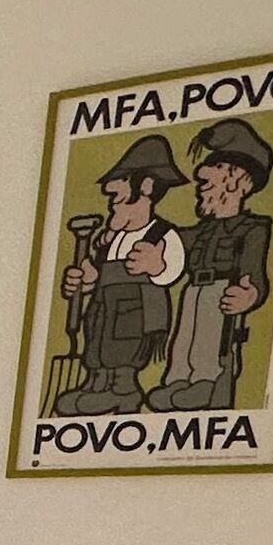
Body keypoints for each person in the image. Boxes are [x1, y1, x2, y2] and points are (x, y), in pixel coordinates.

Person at [153, 115, 273, 414]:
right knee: (183, 340)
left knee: (209, 340)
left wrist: (250, 295)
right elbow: (171, 241)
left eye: (214, 173)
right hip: (193, 288)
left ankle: (206, 383)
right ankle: (177, 382)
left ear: (237, 180)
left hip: (221, 291)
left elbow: (254, 270)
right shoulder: (199, 231)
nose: (201, 185)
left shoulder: (251, 228)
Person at [54, 134, 185, 413]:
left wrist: (156, 265)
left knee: (123, 346)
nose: (112, 205)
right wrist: (82, 281)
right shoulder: (110, 239)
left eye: (118, 198)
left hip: (135, 308)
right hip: (104, 304)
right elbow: (96, 271)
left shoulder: (162, 233)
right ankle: (96, 383)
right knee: (97, 337)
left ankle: (123, 389)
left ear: (147, 187)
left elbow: (172, 271)